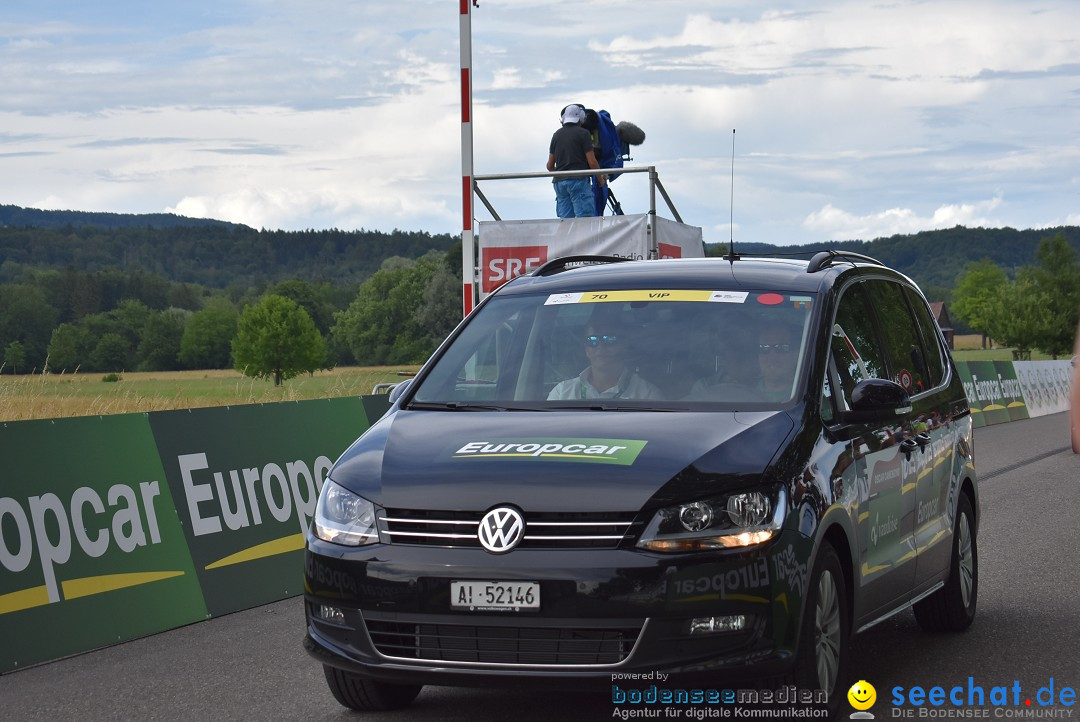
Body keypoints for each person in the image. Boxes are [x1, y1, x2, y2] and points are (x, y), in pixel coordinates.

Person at [547, 319, 662, 400]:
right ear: (586, 349)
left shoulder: (647, 395)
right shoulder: (562, 392)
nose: (600, 346)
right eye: (592, 340)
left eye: (609, 339)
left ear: (624, 345)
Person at [546, 104, 605, 219]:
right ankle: (583, 238)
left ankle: (565, 238)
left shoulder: (556, 135)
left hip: (560, 183)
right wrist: (600, 179)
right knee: (584, 220)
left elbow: (549, 166)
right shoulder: (584, 134)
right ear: (581, 118)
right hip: (578, 181)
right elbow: (592, 162)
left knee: (565, 222)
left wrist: (562, 173)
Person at [757, 323, 800, 402]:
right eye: (764, 348)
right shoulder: (740, 393)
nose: (772, 357)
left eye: (781, 347)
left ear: (796, 355)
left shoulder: (806, 397)